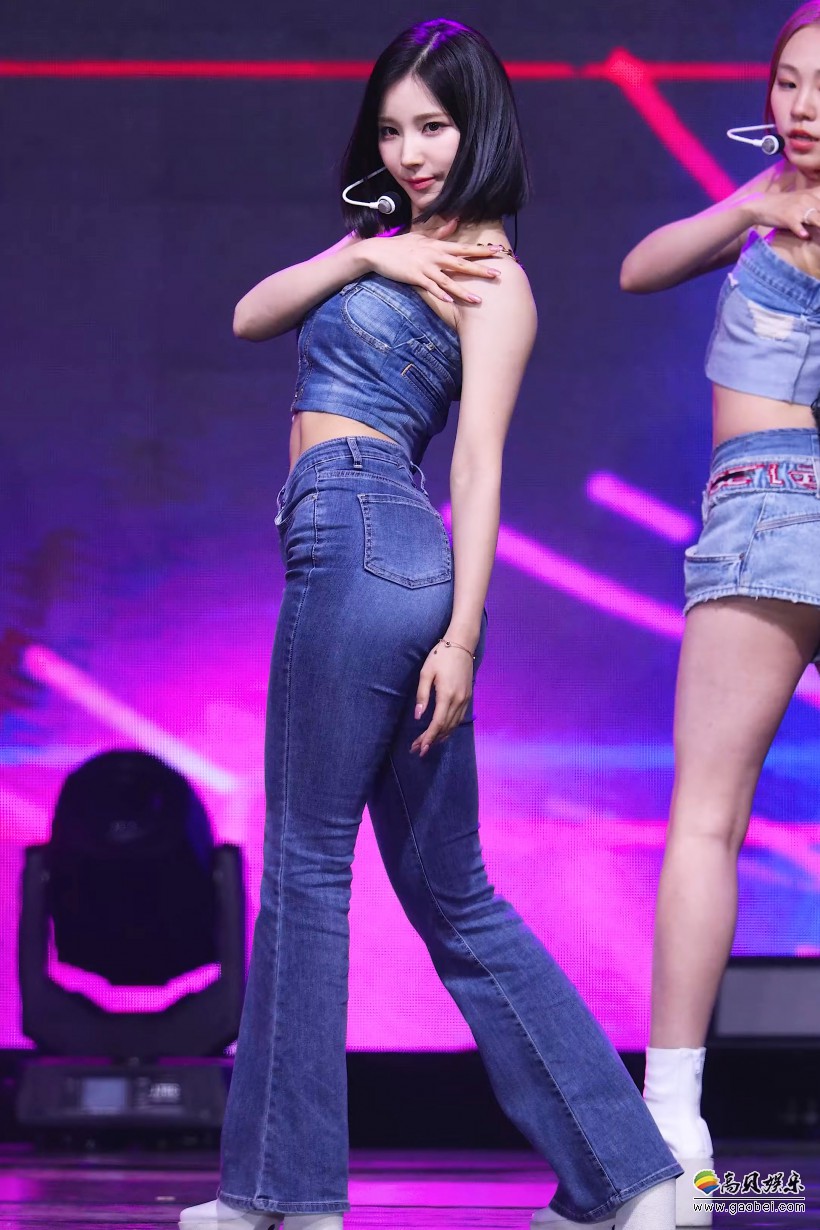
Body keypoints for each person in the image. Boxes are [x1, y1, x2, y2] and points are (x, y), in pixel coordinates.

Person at [181, 19, 679, 1230]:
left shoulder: (493, 279)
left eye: (435, 127)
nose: (410, 151)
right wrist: (369, 256)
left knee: (305, 871)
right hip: (380, 557)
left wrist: (465, 640)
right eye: (394, 129)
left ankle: (280, 1193)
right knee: (454, 895)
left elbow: (480, 466)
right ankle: (631, 1178)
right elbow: (249, 314)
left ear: (480, 126)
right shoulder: (390, 247)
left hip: (366, 543)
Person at [620, 3, 820, 1225]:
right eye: (789, 81)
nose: (803, 105)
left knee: (705, 820)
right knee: (705, 820)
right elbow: (639, 266)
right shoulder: (765, 200)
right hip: (760, 506)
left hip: (768, 504)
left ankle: (671, 1131)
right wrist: (750, 204)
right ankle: (670, 1129)